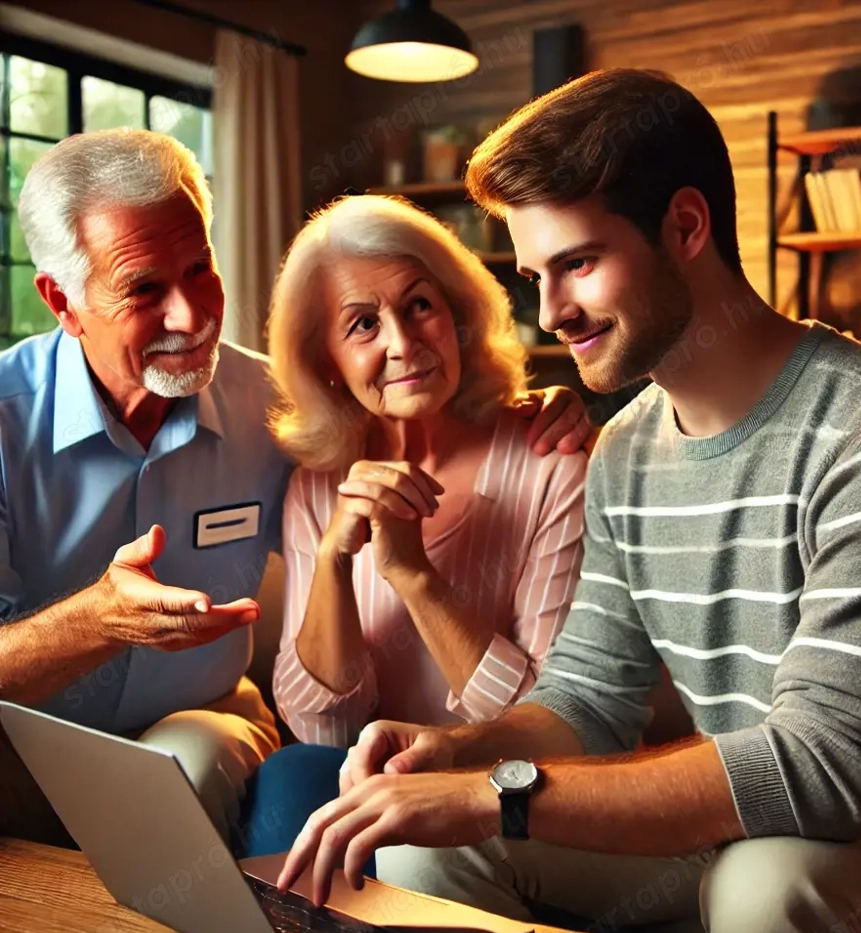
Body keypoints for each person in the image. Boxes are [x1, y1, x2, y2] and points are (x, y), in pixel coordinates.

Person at [275, 69, 861, 933]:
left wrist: (491, 790)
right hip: (734, 827)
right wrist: (451, 753)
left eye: (578, 263)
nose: (552, 313)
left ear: (687, 228)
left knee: (764, 890)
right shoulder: (624, 446)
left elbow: (830, 770)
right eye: (535, 276)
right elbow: (587, 701)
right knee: (419, 855)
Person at [0, 129, 590, 847]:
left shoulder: (275, 408)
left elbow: (394, 388)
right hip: (21, 737)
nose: (190, 317)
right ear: (62, 302)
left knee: (200, 768)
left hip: (203, 721)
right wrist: (96, 621)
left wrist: (541, 401)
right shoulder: (8, 424)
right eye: (146, 289)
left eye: (199, 269)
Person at [236, 195, 587, 858]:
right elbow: (320, 725)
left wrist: (413, 575)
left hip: (507, 782)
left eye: (420, 305)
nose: (404, 344)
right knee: (290, 778)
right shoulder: (317, 484)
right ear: (325, 362)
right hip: (377, 777)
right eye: (363, 324)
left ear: (457, 313)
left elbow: (553, 720)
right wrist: (336, 561)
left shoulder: (548, 459)